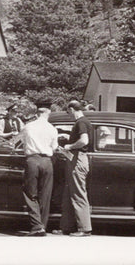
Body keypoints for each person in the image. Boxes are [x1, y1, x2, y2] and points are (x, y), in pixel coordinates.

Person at [11, 101, 58, 236]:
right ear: (47, 113)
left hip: (32, 160)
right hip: (47, 162)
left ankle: (37, 226)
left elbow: (16, 141)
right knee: (45, 195)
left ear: (37, 114)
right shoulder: (52, 128)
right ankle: (42, 225)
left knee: (31, 194)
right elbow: (54, 148)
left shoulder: (29, 126)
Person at [54, 99, 93, 237]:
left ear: (71, 109)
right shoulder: (84, 122)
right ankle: (66, 227)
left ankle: (85, 228)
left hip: (78, 159)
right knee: (69, 193)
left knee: (78, 194)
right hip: (76, 159)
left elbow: (84, 141)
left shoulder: (81, 122)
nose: (68, 114)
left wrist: (69, 146)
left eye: (68, 111)